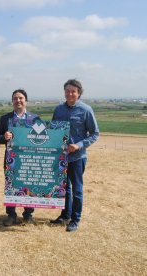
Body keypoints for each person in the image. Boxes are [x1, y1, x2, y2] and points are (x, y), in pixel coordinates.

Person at [49, 79, 99, 232]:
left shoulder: (86, 110)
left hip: (78, 157)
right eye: (67, 91)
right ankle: (65, 215)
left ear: (79, 93)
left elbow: (95, 134)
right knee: (65, 188)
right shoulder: (58, 110)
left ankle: (75, 220)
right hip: (62, 158)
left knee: (77, 189)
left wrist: (78, 145)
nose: (70, 94)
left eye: (73, 91)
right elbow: (53, 131)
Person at [0, 89, 40, 226]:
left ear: (26, 100)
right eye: (15, 98)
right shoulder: (5, 118)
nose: (18, 100)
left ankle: (28, 214)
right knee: (11, 186)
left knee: (29, 186)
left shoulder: (35, 119)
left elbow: (42, 138)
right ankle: (11, 215)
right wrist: (4, 137)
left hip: (30, 160)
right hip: (11, 160)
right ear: (12, 101)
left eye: (21, 98)